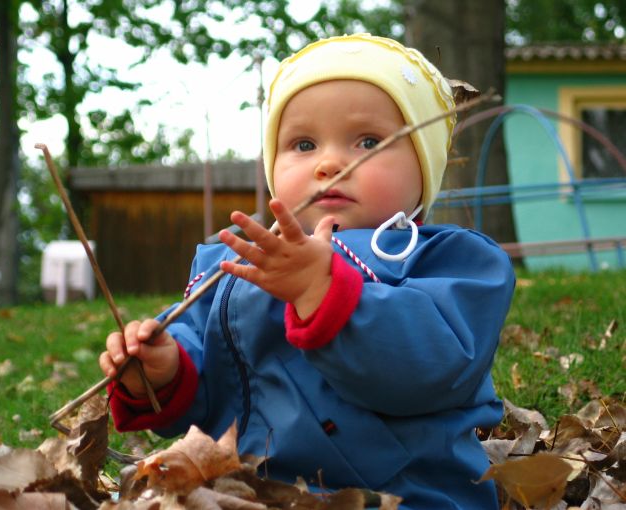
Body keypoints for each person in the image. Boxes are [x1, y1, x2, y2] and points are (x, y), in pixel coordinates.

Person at [99, 33, 515, 509]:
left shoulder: (451, 263)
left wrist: (325, 292)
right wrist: (162, 373)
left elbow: (436, 365)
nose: (330, 162)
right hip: (241, 494)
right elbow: (209, 395)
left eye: (368, 141)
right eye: (303, 143)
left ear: (424, 167)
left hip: (401, 494)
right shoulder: (231, 268)